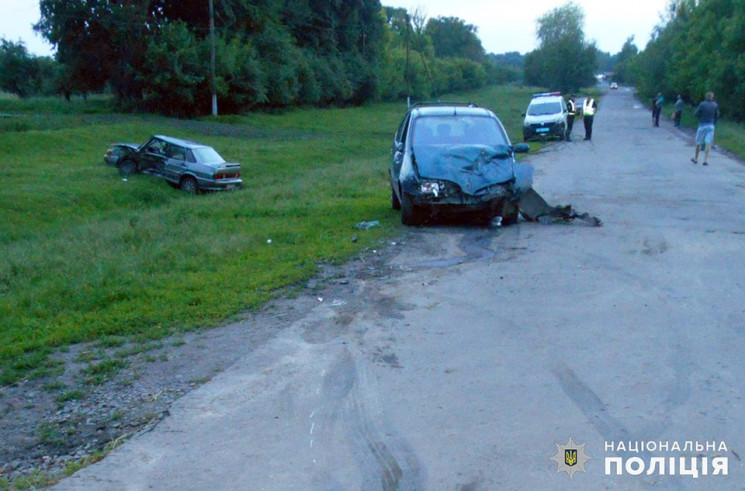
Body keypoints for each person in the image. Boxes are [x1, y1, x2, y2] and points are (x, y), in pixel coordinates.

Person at [691, 92, 719, 166]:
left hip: (702, 124)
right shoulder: (715, 105)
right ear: (712, 97)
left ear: (706, 97)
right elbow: (717, 115)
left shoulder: (702, 104)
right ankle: (705, 160)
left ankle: (696, 158)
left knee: (698, 142)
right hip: (711, 125)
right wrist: (714, 122)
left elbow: (696, 114)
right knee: (708, 143)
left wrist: (700, 118)